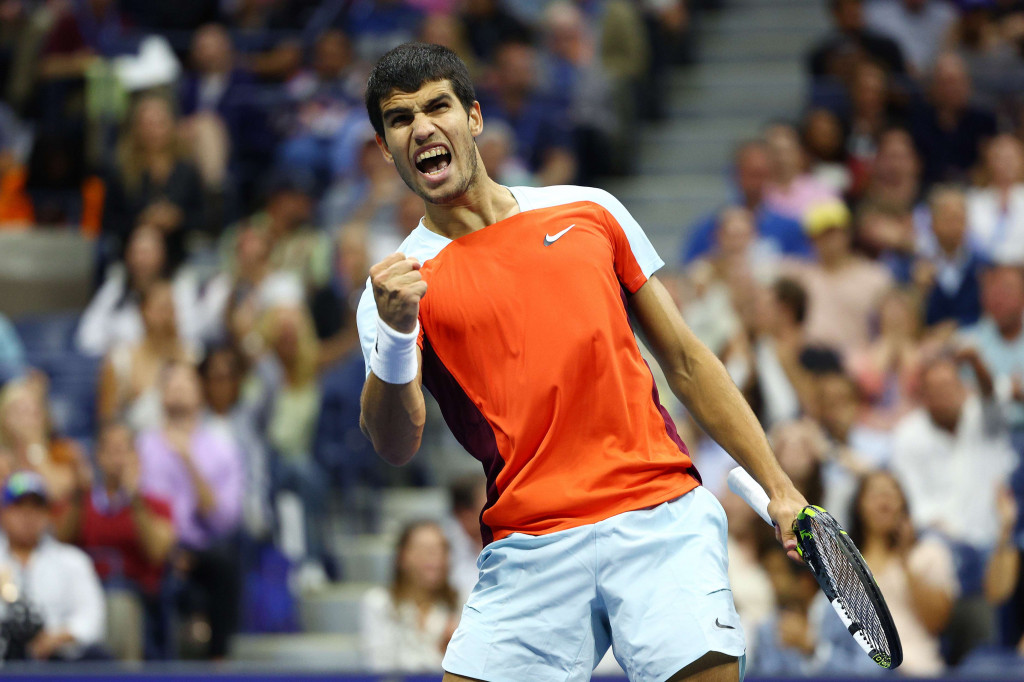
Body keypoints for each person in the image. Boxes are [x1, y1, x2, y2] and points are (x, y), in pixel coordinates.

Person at [357, 43, 809, 682]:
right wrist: (399, 334)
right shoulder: (395, 289)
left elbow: (684, 359)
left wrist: (780, 487)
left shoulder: (589, 209)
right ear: (386, 148)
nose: (423, 128)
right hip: (528, 545)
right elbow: (396, 444)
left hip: (658, 517)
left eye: (438, 108)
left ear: (475, 118)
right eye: (401, 120)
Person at [136, 361, 244, 660]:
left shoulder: (221, 446)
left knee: (225, 562)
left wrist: (188, 460)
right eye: (172, 384)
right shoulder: (143, 446)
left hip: (203, 550)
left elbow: (224, 519)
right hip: (156, 547)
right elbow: (138, 504)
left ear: (200, 393)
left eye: (187, 383)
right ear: (161, 394)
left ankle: (218, 659)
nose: (180, 389)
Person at [55, 421, 176, 661]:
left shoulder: (155, 505)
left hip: (136, 596)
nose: (117, 459)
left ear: (136, 457)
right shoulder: (81, 500)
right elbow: (59, 540)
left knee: (117, 603)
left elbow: (158, 551)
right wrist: (79, 494)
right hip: (82, 592)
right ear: (98, 456)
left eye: (124, 450)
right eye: (111, 450)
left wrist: (135, 499)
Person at [846, 471, 957, 676]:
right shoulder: (844, 564)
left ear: (903, 504)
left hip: (913, 665)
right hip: (854, 668)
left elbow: (937, 623)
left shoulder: (928, 553)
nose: (883, 502)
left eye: (890, 494)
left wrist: (905, 561)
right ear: (859, 506)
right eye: (875, 495)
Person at [0, 471, 106, 661]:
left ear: (47, 514)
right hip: (3, 655)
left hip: (56, 659)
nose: (28, 516)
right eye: (19, 507)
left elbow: (92, 618)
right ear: (3, 512)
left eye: (36, 508)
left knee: (97, 656)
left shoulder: (72, 561)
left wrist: (58, 637)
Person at [77, 224, 201, 357]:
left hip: (169, 362)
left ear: (162, 255)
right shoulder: (115, 287)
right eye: (136, 252)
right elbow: (87, 338)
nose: (141, 260)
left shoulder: (180, 286)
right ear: (128, 255)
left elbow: (192, 341)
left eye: (147, 252)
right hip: (124, 367)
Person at [681, 140, 812, 264]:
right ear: (735, 175)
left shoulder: (790, 228)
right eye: (750, 174)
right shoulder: (710, 228)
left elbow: (806, 270)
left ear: (771, 175)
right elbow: (690, 270)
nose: (756, 183)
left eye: (761, 174)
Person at [360, 520, 461, 673]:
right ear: (402, 557)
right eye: (424, 550)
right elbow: (380, 667)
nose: (435, 557)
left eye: (441, 549)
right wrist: (442, 653)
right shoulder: (378, 603)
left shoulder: (464, 602)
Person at [0, 376, 85, 505]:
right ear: (5, 419)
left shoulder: (62, 452)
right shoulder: (3, 461)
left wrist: (34, 448)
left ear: (43, 417)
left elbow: (56, 492)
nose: (26, 419)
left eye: (32, 411)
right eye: (19, 411)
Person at [441, 474, 487, 602]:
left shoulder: (508, 539)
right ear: (465, 514)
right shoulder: (441, 547)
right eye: (490, 505)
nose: (499, 510)